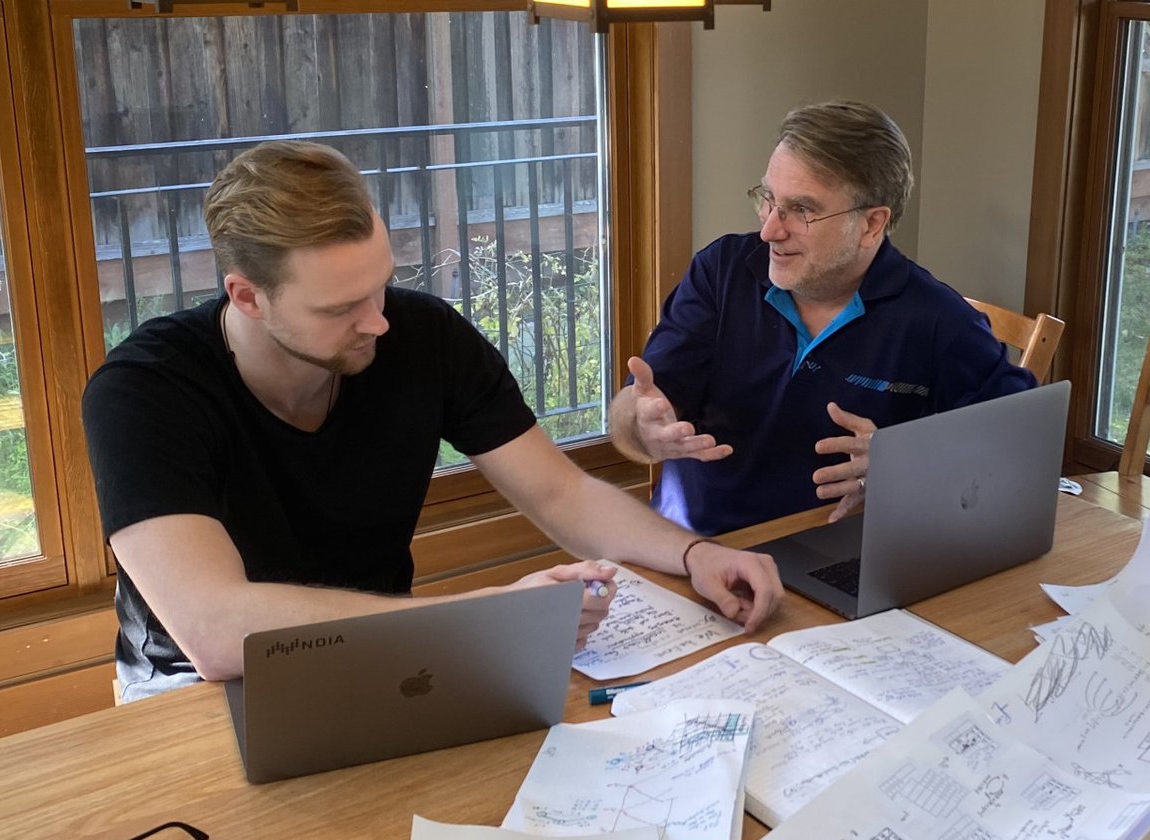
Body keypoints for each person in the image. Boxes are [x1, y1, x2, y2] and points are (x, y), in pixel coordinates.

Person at [82, 140, 784, 702]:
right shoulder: (145, 390)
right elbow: (214, 630)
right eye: (340, 308)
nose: (378, 321)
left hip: (393, 647)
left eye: (381, 285)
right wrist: (482, 617)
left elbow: (560, 492)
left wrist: (694, 555)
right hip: (194, 691)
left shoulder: (423, 335)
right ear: (247, 297)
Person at [609, 99, 1038, 536]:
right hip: (690, 544)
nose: (770, 230)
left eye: (802, 210)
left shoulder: (939, 321)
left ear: (872, 224)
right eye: (768, 199)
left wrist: (909, 465)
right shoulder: (720, 271)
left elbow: (1024, 446)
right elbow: (633, 412)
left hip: (836, 551)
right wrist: (639, 425)